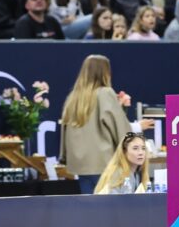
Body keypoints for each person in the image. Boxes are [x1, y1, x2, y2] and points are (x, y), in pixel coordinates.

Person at [60, 55, 150, 194]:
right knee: (112, 211)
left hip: (81, 166)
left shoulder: (73, 97)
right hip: (106, 164)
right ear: (105, 72)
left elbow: (65, 131)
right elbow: (120, 130)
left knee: (92, 212)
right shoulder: (105, 93)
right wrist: (137, 134)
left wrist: (65, 157)